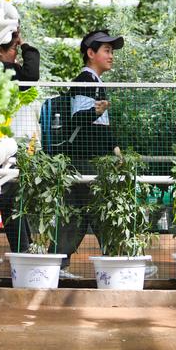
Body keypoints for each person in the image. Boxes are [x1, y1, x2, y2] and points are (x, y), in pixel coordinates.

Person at [54, 30, 124, 277]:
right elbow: (78, 118)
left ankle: (59, 264)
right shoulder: (85, 79)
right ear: (90, 53)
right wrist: (95, 112)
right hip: (85, 161)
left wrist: (115, 151)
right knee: (97, 210)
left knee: (81, 212)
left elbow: (100, 126)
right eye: (106, 50)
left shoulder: (96, 81)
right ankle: (117, 262)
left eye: (112, 51)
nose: (111, 56)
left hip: (91, 160)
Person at [0, 30, 39, 263]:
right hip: (1, 145)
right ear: (0, 52)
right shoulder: (5, 70)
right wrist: (28, 46)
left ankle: (23, 250)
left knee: (10, 196)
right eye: (13, 48)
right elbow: (32, 75)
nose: (18, 54)